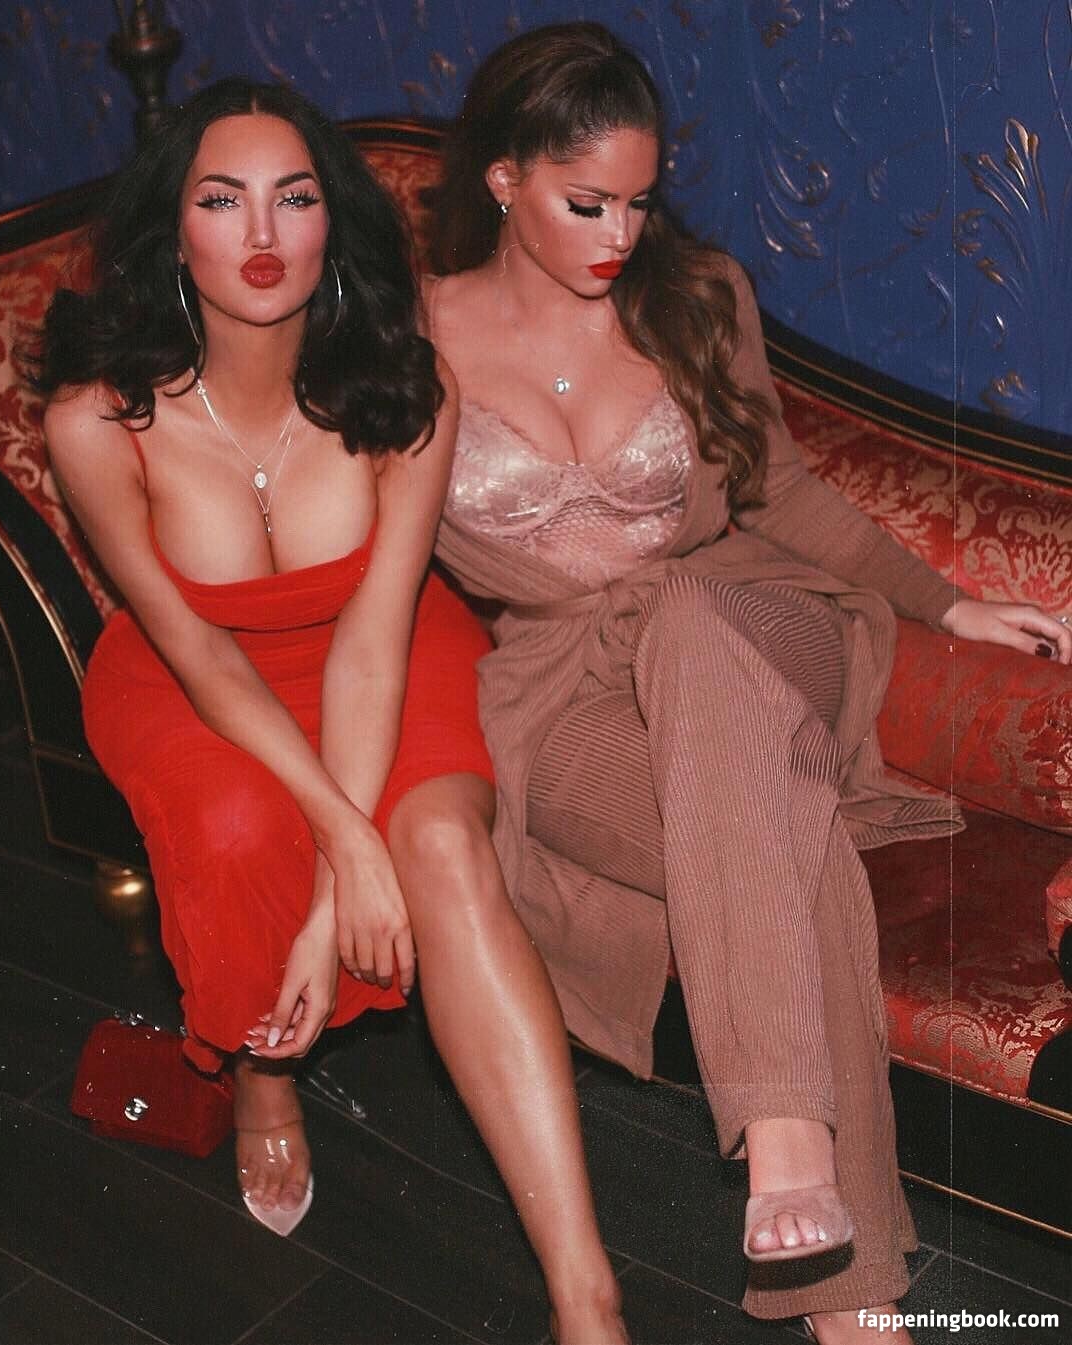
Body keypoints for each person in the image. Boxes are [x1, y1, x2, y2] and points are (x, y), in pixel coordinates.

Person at [424, 22, 1071, 1345]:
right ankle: (852, 1300)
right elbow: (358, 561)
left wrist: (949, 602)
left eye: (639, 201)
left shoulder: (696, 294)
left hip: (761, 623)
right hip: (559, 689)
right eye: (587, 203)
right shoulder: (408, 342)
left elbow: (784, 493)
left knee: (691, 617)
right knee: (789, 841)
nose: (620, 234)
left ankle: (782, 1140)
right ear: (502, 178)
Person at [33, 79, 627, 1344]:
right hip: (191, 672)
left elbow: (375, 634)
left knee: (445, 848)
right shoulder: (95, 414)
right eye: (222, 199)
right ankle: (262, 1072)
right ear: (173, 227)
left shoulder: (408, 387)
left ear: (332, 223)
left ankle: (588, 1298)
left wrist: (338, 892)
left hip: (384, 647)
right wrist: (341, 844)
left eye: (294, 198)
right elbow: (195, 646)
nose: (262, 232)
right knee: (242, 828)